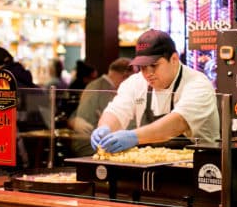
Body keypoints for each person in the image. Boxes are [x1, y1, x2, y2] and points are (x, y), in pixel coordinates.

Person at [90, 29, 220, 154]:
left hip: (199, 166)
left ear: (174, 59)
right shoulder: (135, 82)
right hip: (151, 167)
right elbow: (116, 111)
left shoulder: (198, 84)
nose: (148, 73)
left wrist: (133, 136)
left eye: (154, 65)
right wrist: (104, 128)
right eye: (143, 67)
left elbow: (178, 122)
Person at [68, 57, 134, 156]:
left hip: (87, 143)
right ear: (126, 76)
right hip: (91, 146)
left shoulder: (94, 85)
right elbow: (121, 123)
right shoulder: (104, 90)